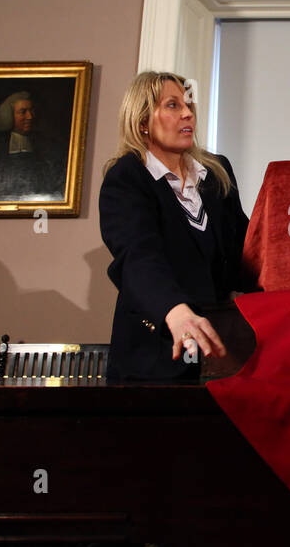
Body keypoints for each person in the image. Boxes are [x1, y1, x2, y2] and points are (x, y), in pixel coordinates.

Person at [99, 71, 250, 381]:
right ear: (142, 120)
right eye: (172, 105)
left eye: (189, 105)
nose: (187, 113)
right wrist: (174, 310)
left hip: (217, 352)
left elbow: (246, 251)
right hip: (154, 356)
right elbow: (137, 256)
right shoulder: (127, 178)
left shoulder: (216, 172)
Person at [0, 90, 67, 203]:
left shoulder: (49, 146)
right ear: (8, 115)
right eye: (23, 112)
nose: (30, 116)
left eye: (32, 110)